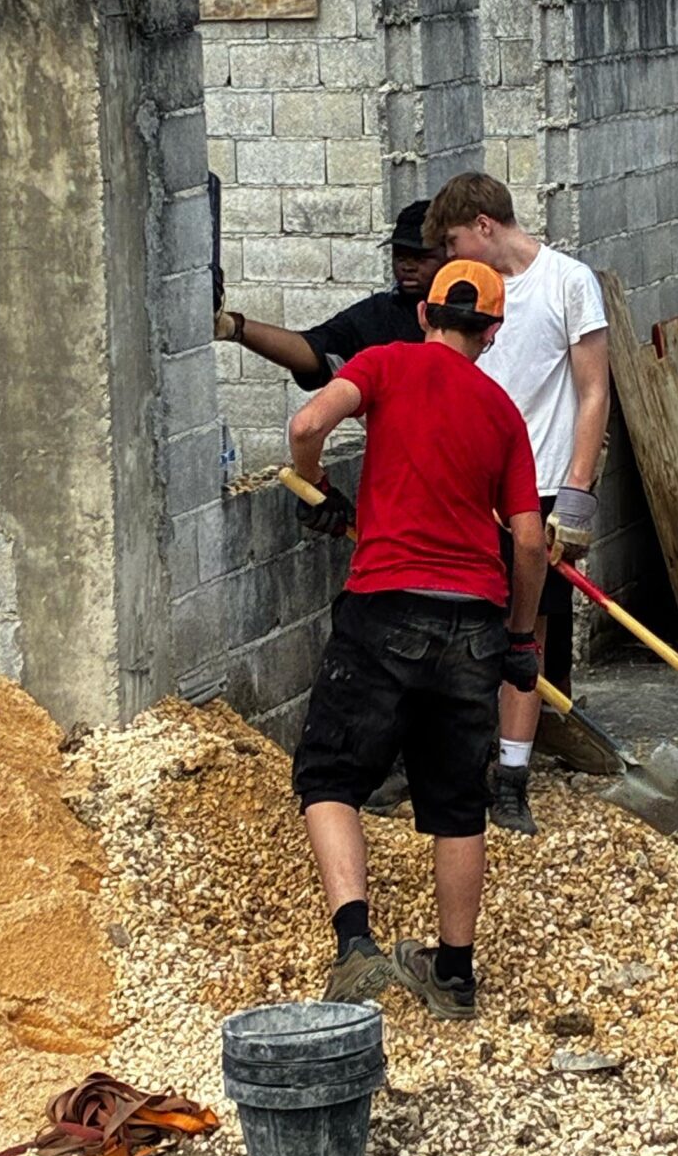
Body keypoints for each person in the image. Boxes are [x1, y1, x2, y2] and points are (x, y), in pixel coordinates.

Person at [287, 259, 546, 1018]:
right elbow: (528, 542)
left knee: (330, 775)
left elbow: (307, 424)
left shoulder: (387, 363)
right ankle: (454, 975)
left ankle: (356, 945)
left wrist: (320, 492)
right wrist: (522, 638)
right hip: (474, 619)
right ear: (492, 333)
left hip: (386, 604)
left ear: (425, 315)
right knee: (457, 801)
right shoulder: (502, 412)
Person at [422, 170, 610, 838]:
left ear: (483, 225)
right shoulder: (468, 298)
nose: (448, 260)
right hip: (472, 484)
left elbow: (593, 391)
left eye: (451, 241)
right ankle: (463, 764)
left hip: (541, 484)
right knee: (463, 625)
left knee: (527, 637)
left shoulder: (567, 282)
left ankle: (513, 781)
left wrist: (579, 493)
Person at [216, 200, 440, 390]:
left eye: (421, 258)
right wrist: (235, 327)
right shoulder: (378, 315)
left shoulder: (470, 307)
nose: (408, 267)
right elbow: (313, 350)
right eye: (400, 257)